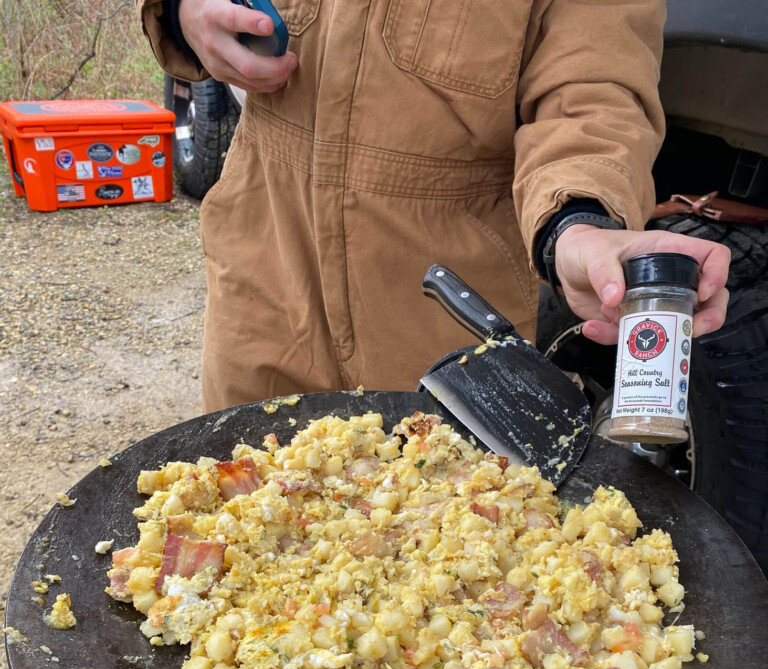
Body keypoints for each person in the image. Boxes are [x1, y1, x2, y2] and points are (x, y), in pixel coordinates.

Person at [139, 0, 730, 412]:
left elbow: (593, 92)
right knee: (240, 519)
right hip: (261, 275)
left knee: (437, 534)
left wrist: (577, 223)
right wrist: (184, 12)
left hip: (445, 323)